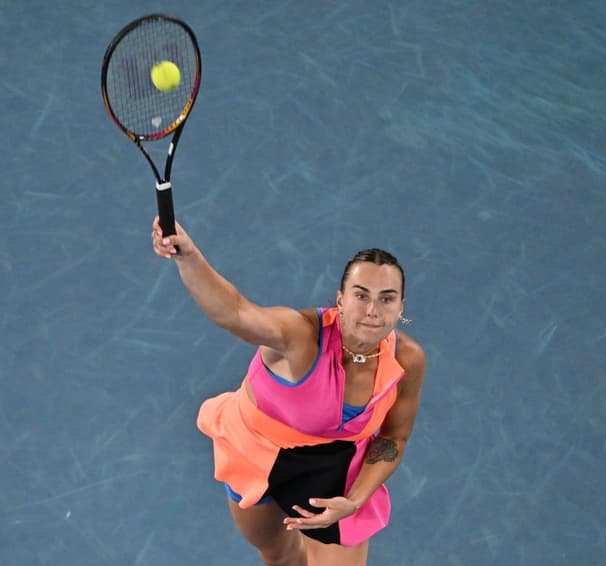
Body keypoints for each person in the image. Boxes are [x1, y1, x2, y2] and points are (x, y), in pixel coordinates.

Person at [152, 217, 425, 566]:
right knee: (279, 556)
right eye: (361, 296)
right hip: (255, 449)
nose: (373, 311)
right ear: (340, 299)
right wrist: (188, 257)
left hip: (335, 466)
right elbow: (235, 311)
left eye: (387, 299)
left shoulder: (408, 360)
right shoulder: (301, 337)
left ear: (401, 307)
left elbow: (395, 437)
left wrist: (355, 500)